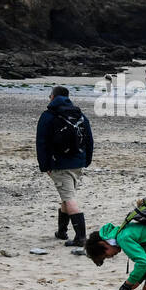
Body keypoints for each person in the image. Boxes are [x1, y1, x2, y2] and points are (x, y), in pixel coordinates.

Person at [35, 85, 93, 247]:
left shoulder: (48, 116)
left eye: (49, 96)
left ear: (53, 97)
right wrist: (87, 160)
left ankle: (81, 238)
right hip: (79, 162)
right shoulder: (79, 114)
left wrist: (44, 165)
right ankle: (62, 231)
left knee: (69, 199)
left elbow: (41, 143)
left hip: (60, 164)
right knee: (66, 196)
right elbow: (89, 139)